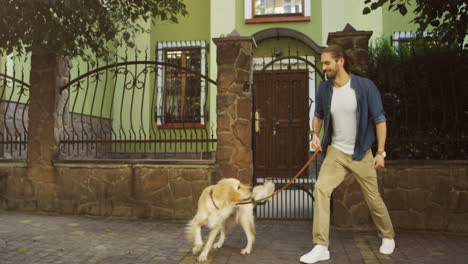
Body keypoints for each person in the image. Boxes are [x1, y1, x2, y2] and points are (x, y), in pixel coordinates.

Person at [300, 45, 395, 264]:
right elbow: (318, 115)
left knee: (373, 198)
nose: (324, 68)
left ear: (340, 61)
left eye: (327, 63)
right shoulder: (325, 89)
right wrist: (314, 133)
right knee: (321, 189)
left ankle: (388, 235)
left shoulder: (364, 87)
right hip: (336, 151)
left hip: (361, 152)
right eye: (322, 63)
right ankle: (321, 246)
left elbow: (379, 120)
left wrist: (380, 152)